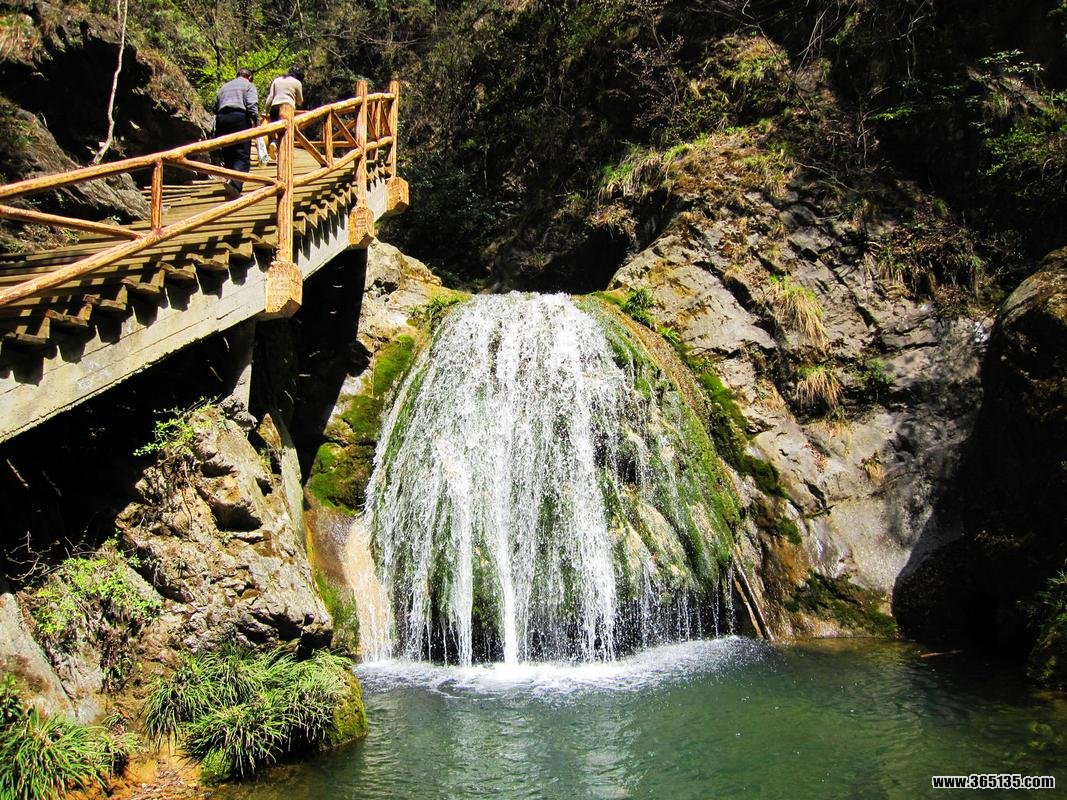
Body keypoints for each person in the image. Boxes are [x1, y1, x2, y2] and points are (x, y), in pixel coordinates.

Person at [214, 68, 259, 196]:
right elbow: (251, 105)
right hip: (239, 118)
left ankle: (230, 179)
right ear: (249, 77)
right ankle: (235, 183)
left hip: (221, 119)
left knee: (228, 152)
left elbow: (215, 106)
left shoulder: (224, 87)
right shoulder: (248, 85)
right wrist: (256, 122)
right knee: (242, 154)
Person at [264, 66, 305, 161]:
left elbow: (270, 97)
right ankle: (284, 159)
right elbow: (300, 101)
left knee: (277, 130)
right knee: (286, 133)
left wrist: (266, 112)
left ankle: (274, 143)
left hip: (274, 107)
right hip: (287, 108)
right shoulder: (297, 83)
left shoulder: (277, 80)